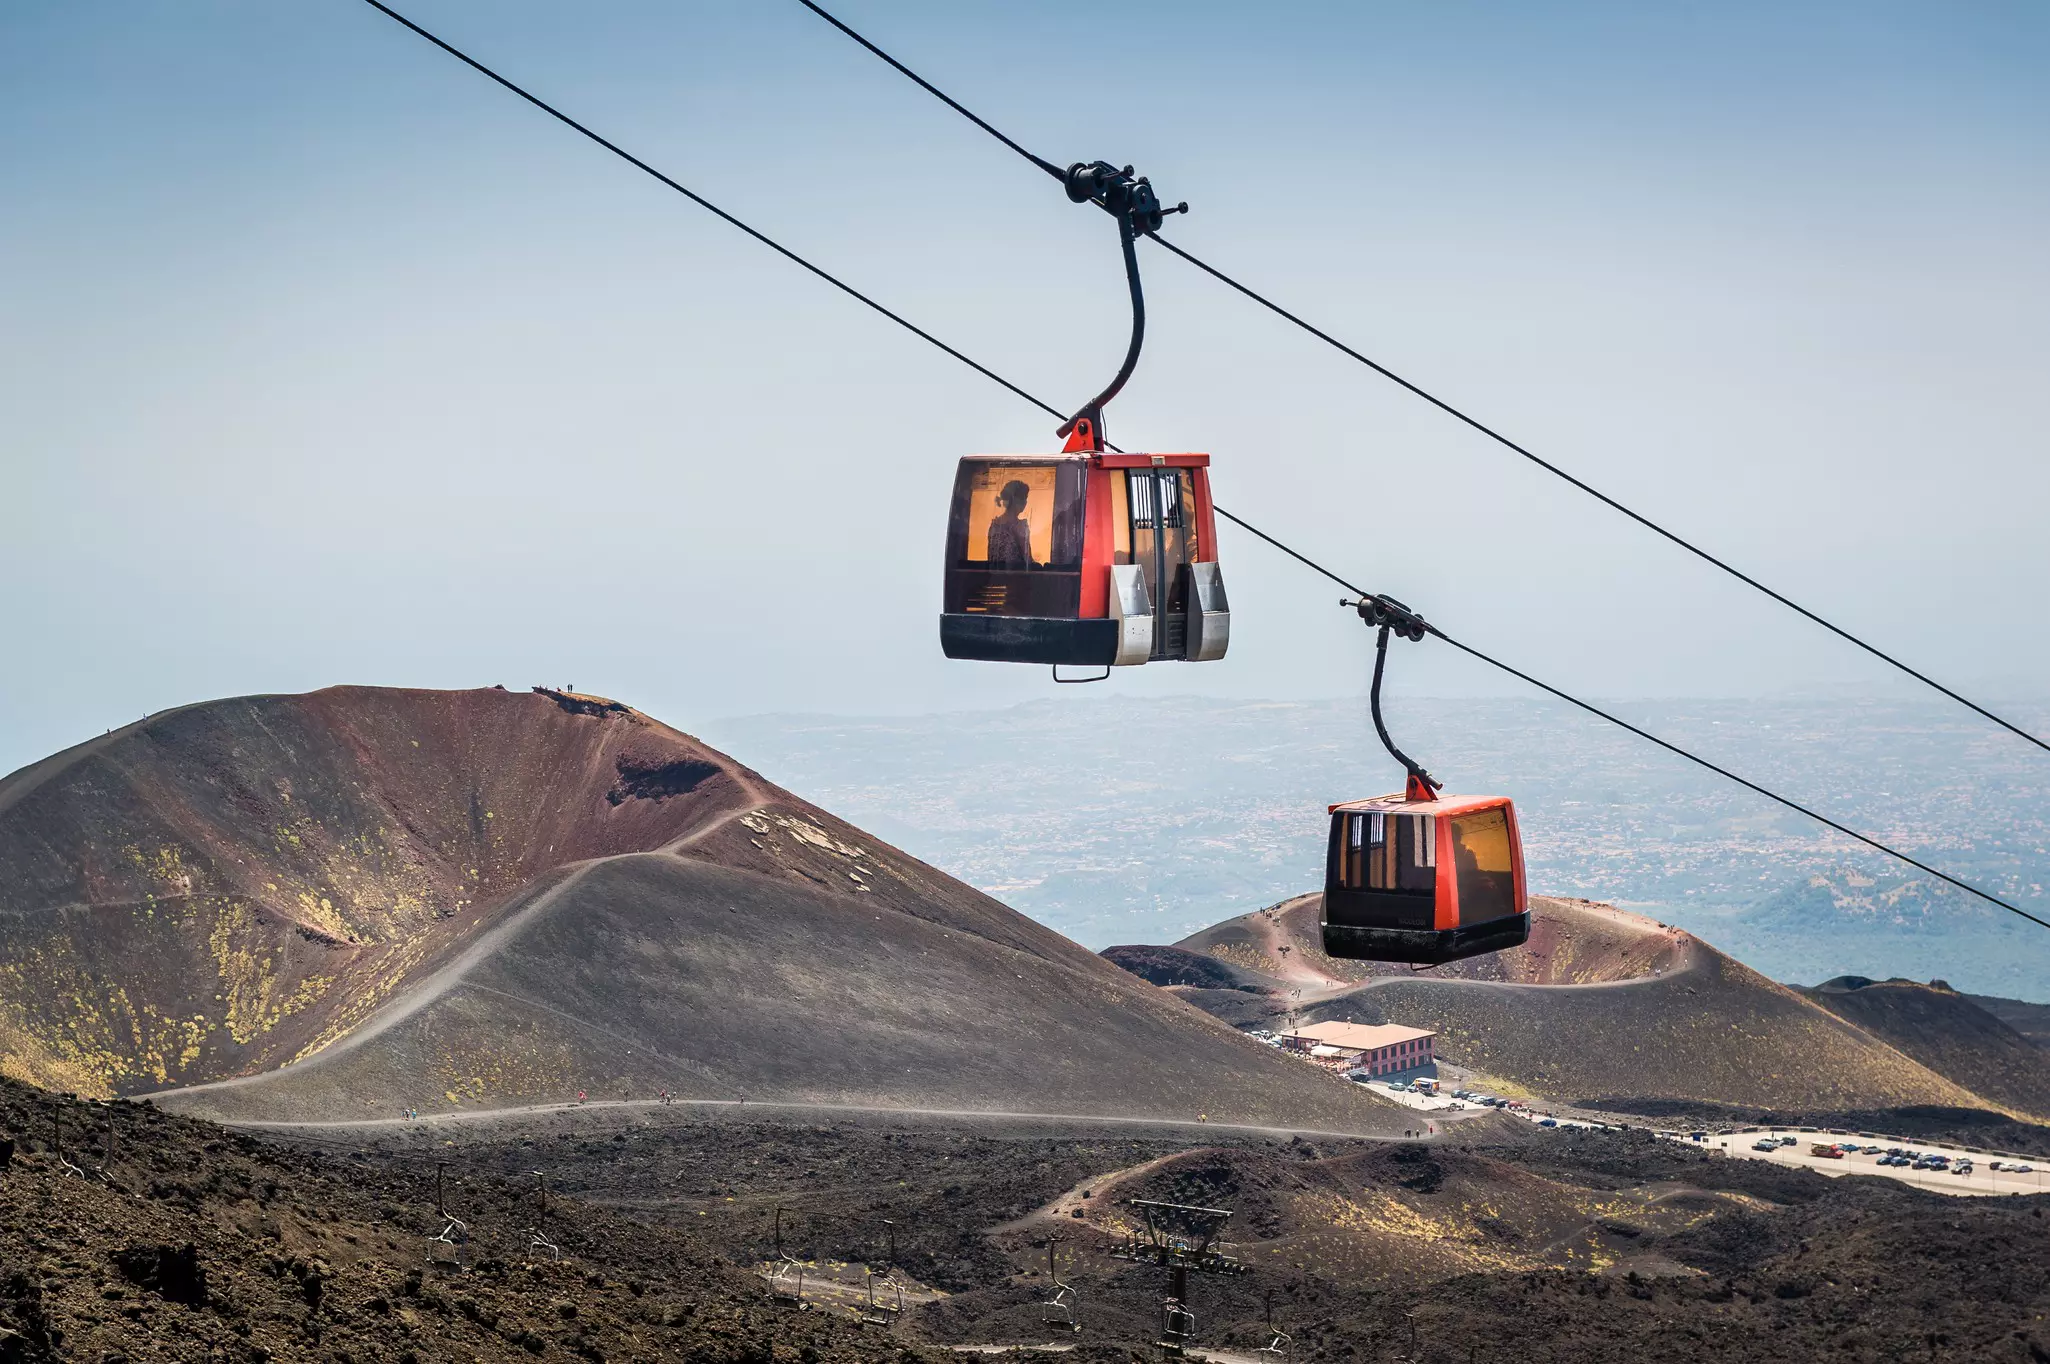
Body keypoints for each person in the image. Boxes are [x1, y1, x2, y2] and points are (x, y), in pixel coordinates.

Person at [985, 480, 1035, 569]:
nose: (1025, 503)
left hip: (995, 578)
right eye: (1024, 498)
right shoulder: (1020, 526)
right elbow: (1028, 561)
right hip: (1016, 579)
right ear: (1018, 501)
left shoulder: (994, 525)